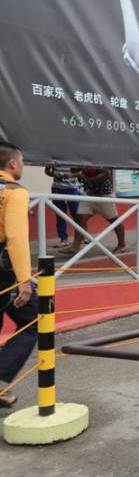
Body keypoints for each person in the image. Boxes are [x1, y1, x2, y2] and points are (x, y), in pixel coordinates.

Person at [0, 141, 37, 407]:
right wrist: (25, 280)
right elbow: (15, 237)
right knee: (35, 318)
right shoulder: (14, 192)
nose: (22, 166)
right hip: (4, 272)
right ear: (12, 163)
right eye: (22, 162)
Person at [59, 168, 126, 255]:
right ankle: (75, 247)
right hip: (89, 194)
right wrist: (73, 173)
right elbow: (74, 170)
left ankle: (121, 244)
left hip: (104, 195)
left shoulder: (98, 160)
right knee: (81, 217)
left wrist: (87, 179)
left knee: (113, 220)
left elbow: (106, 174)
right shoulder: (84, 160)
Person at [45, 166, 80, 248]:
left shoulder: (74, 157)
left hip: (72, 188)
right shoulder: (54, 158)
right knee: (60, 214)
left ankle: (81, 236)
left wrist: (71, 175)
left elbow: (81, 172)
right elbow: (47, 171)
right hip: (57, 188)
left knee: (76, 213)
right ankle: (64, 239)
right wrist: (55, 175)